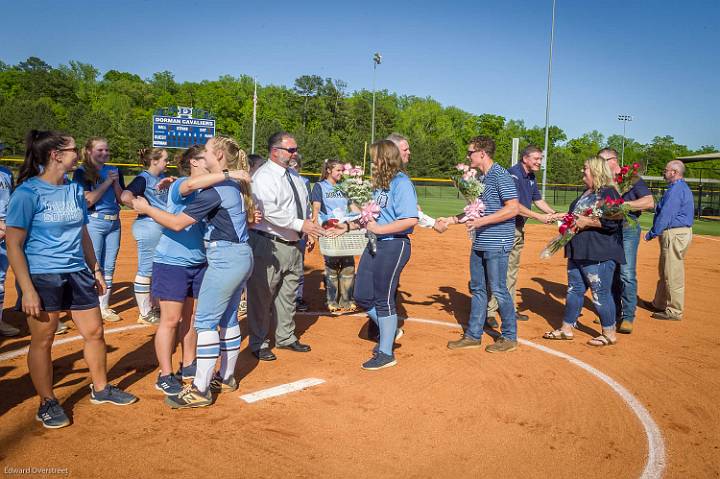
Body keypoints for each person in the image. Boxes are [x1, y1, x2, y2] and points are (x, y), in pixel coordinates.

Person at [6, 130, 137, 429]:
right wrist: (27, 289)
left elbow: (82, 233)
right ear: (55, 155)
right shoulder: (28, 193)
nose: (78, 155)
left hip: (77, 271)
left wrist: (95, 269)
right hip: (43, 274)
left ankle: (101, 388)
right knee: (44, 338)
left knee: (94, 331)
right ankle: (47, 401)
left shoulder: (74, 189)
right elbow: (14, 244)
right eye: (74, 150)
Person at [132, 135, 254, 408]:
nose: (202, 155)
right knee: (228, 318)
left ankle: (200, 389)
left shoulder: (216, 189)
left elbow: (176, 223)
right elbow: (188, 185)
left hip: (224, 257)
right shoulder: (230, 184)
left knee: (206, 322)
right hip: (240, 256)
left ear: (219, 156)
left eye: (207, 151)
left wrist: (146, 208)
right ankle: (226, 376)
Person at [247, 132, 325, 361]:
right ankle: (258, 342)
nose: (295, 153)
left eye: (295, 149)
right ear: (275, 151)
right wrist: (303, 225)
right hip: (269, 244)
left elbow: (302, 204)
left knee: (288, 294)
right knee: (262, 295)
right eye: (291, 150)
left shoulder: (294, 175)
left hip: (293, 243)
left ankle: (286, 337)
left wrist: (306, 229)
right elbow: (269, 211)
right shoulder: (264, 177)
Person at [443, 136, 520, 353]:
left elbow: (513, 208)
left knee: (498, 289)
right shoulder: (481, 178)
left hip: (497, 242)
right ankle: (473, 335)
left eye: (470, 152)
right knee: (477, 288)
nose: (468, 156)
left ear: (482, 153)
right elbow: (476, 210)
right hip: (480, 241)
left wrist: (481, 222)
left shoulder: (500, 175)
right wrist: (451, 220)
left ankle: (509, 336)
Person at [543, 157, 625, 346]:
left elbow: (614, 222)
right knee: (574, 290)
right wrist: (563, 218)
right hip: (578, 251)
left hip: (598, 253)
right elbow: (577, 216)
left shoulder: (608, 192)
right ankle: (566, 329)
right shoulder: (587, 193)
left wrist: (588, 222)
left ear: (596, 171)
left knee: (600, 293)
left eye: (585, 168)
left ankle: (609, 333)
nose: (582, 171)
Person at [354, 139, 419, 370]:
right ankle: (390, 330)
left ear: (385, 159)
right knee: (361, 294)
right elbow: (371, 218)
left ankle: (385, 352)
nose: (372, 162)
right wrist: (347, 225)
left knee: (383, 299)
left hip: (393, 245)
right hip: (374, 243)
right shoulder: (379, 184)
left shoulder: (401, 183)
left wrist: (379, 229)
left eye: (375, 158)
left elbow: (410, 219)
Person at [485, 145, 557, 323]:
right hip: (505, 229)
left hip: (518, 229)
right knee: (499, 270)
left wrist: (554, 214)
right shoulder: (512, 175)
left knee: (512, 271)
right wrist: (539, 217)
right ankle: (490, 312)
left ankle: (508, 309)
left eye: (540, 159)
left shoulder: (531, 176)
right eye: (536, 159)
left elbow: (538, 200)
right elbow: (514, 206)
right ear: (525, 158)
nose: (540, 162)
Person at [598, 148, 655, 333]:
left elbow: (649, 202)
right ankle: (615, 314)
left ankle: (628, 316)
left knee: (626, 272)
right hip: (609, 228)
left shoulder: (631, 178)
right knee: (611, 271)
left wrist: (621, 204)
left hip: (628, 227)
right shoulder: (604, 181)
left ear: (612, 160)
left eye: (602, 161)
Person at [72, 137, 125, 323]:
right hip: (94, 222)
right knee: (92, 266)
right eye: (100, 150)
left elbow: (122, 200)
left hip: (114, 223)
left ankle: (104, 306)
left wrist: (116, 182)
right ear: (88, 151)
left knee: (109, 266)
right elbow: (88, 201)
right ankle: (88, 306)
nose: (105, 153)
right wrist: (106, 182)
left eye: (106, 150)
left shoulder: (114, 170)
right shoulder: (81, 172)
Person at [121, 148, 171, 325]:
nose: (168, 162)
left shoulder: (162, 177)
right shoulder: (144, 178)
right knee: (146, 269)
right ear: (154, 161)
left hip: (160, 226)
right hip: (148, 225)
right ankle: (144, 312)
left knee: (156, 268)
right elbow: (125, 196)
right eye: (165, 159)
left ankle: (153, 306)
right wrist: (140, 206)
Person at [641, 160, 694, 321]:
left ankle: (674, 311)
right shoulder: (677, 187)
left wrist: (652, 233)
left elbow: (666, 215)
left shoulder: (677, 189)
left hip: (675, 233)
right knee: (665, 270)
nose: (664, 172)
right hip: (676, 233)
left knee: (672, 272)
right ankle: (659, 303)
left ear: (674, 172)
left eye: (666, 170)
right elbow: (663, 209)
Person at [311, 159, 357, 312]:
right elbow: (316, 208)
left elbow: (352, 207)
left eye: (342, 170)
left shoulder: (343, 187)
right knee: (331, 266)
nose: (341, 173)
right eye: (338, 170)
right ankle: (332, 300)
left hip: (344, 229)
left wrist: (362, 215)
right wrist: (315, 229)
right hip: (329, 229)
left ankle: (347, 300)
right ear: (329, 170)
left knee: (348, 265)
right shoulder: (320, 186)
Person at [289, 154, 311, 313]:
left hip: (300, 230)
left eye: (295, 166)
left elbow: (307, 209)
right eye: (290, 165)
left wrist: (308, 233)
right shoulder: (279, 181)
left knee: (298, 265)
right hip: (282, 229)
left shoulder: (304, 182)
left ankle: (298, 296)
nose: (292, 168)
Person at [0, 164, 19, 337]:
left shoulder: (6, 171)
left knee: (0, 277)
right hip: (2, 227)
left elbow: (11, 198)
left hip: (8, 227)